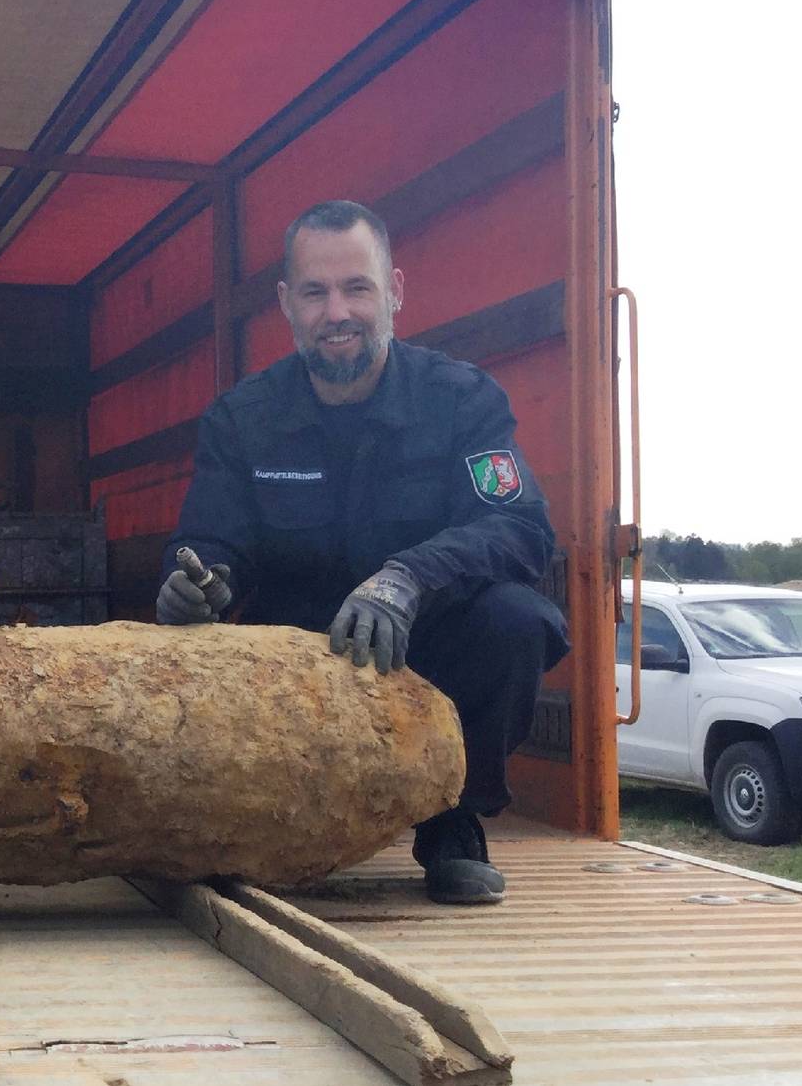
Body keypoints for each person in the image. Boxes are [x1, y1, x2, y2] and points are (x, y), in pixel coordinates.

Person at [158, 199, 566, 905]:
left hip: (424, 643)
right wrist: (198, 583)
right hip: (293, 659)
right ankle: (262, 817)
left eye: (357, 288)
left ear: (395, 292)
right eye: (315, 292)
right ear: (287, 304)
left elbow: (519, 528)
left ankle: (450, 820)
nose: (336, 311)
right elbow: (211, 541)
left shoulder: (464, 400)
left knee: (517, 621)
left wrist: (407, 579)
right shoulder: (240, 419)